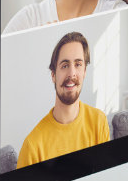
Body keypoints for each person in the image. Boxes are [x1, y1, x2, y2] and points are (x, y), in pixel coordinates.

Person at [18, 31, 110, 167]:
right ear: (53, 75)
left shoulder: (99, 121)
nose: (72, 73)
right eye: (65, 65)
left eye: (78, 64)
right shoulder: (32, 145)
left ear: (84, 71)